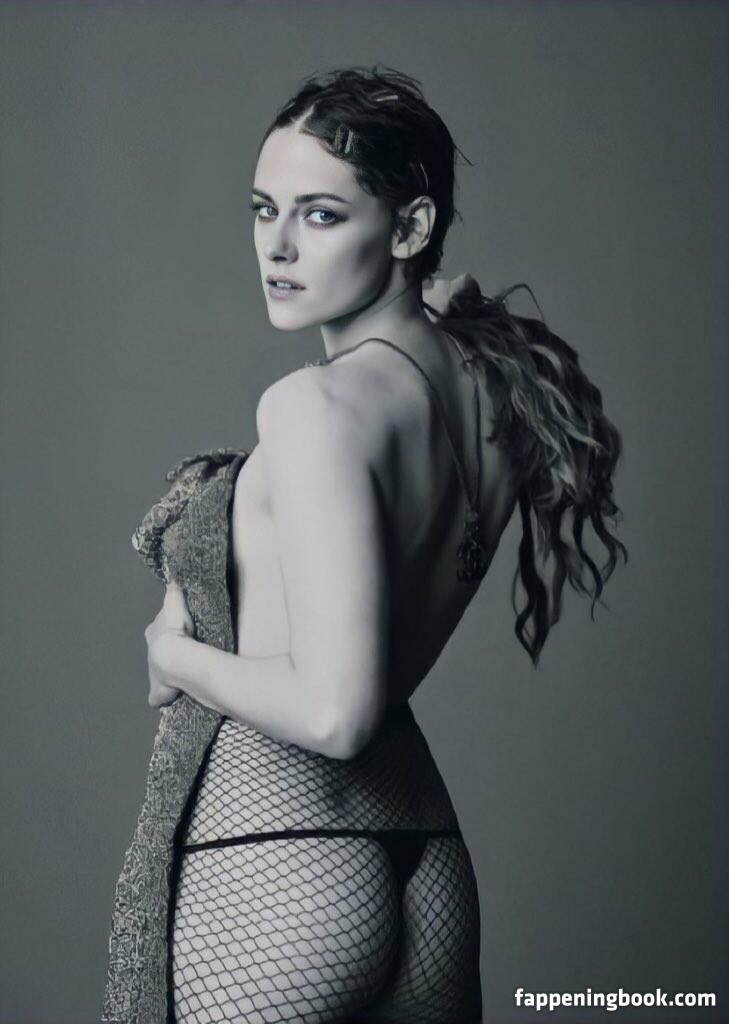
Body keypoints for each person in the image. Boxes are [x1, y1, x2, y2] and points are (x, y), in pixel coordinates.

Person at [102, 65, 627, 1024]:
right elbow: (449, 309)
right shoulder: (492, 386)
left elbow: (335, 712)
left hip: (277, 859)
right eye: (263, 210)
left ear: (410, 226)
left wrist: (174, 655)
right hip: (424, 858)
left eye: (320, 215)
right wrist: (421, 292)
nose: (277, 246)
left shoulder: (313, 408)